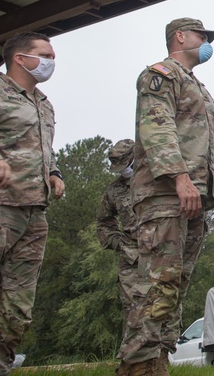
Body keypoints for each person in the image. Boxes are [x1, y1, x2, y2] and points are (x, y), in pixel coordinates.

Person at [118, 18, 214, 376]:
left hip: (196, 197)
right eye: (202, 36)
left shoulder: (199, 87)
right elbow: (158, 128)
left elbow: (210, 145)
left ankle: (157, 360)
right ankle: (138, 364)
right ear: (180, 37)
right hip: (165, 195)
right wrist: (180, 178)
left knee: (177, 283)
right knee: (158, 282)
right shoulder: (160, 75)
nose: (207, 42)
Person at [0, 32, 64, 376]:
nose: (52, 61)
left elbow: (41, 148)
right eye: (45, 54)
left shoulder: (44, 103)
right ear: (21, 58)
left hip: (34, 215)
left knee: (16, 308)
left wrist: (54, 172)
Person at [95, 139, 140, 331]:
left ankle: (161, 357)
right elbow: (104, 222)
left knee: (163, 306)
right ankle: (132, 358)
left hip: (161, 252)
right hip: (132, 258)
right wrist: (120, 244)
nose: (123, 170)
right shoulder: (115, 190)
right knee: (133, 310)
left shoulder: (159, 180)